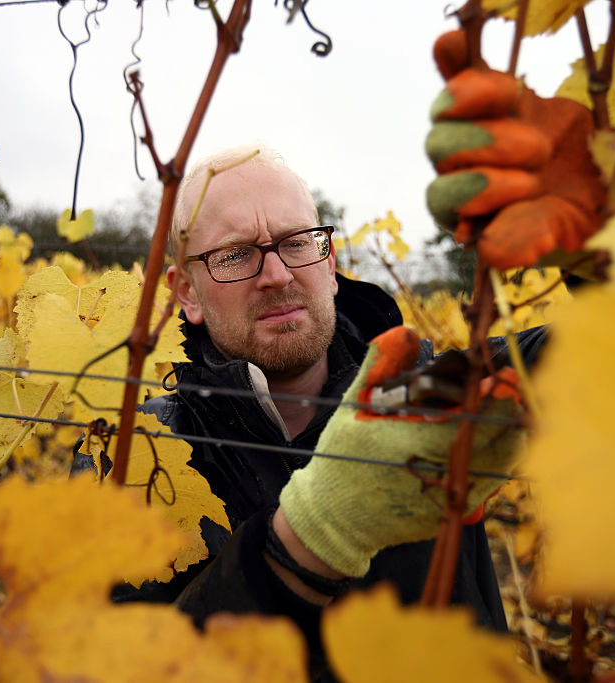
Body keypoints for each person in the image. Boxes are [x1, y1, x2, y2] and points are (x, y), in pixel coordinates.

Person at [122, 143, 546, 679]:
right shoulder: (138, 455)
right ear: (187, 292)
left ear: (329, 262)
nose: (276, 273)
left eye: (298, 242)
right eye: (235, 254)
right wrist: (304, 543)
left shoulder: (427, 394)